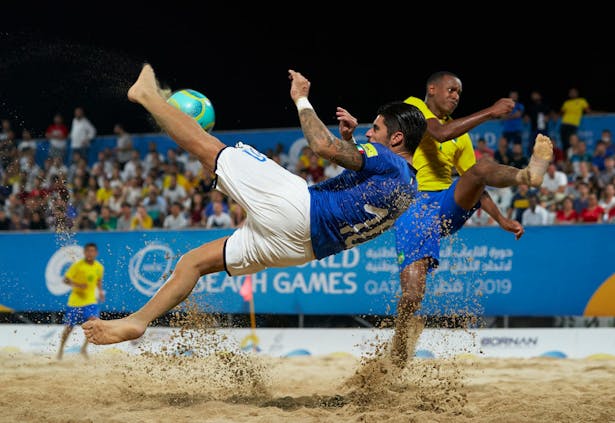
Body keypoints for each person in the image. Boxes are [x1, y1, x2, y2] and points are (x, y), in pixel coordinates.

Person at [82, 64, 426, 345]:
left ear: (397, 138)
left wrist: (302, 100)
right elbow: (359, 192)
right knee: (193, 263)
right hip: (301, 248)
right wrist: (350, 141)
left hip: (299, 211)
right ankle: (137, 322)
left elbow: (321, 146)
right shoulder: (408, 185)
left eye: (376, 130)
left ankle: (146, 96)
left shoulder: (385, 159)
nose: (370, 134)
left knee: (211, 148)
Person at [340, 71, 553, 367]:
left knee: (479, 170)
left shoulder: (461, 136)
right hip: (412, 205)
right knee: (413, 294)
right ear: (432, 89)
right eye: (451, 90)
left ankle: (526, 175)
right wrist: (491, 112)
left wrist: (502, 219)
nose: (455, 96)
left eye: (459, 93)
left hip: (445, 205)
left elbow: (474, 183)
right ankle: (402, 336)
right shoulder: (413, 107)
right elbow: (439, 134)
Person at [57, 243, 105, 359]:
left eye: (92, 251)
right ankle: (60, 350)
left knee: (94, 324)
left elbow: (98, 280)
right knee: (69, 328)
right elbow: (65, 280)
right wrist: (78, 285)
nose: (90, 253)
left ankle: (83, 349)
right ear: (84, 253)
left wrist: (100, 291)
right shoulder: (77, 265)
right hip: (75, 302)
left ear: (96, 253)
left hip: (90, 301)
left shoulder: (99, 267)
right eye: (88, 251)